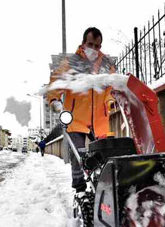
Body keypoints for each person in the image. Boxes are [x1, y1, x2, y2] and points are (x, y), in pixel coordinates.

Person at [47, 27, 116, 193]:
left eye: (97, 46)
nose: (94, 49)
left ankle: (101, 186)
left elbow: (110, 88)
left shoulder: (106, 64)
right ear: (83, 43)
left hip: (99, 119)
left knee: (103, 154)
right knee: (79, 155)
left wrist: (110, 100)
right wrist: (55, 101)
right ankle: (79, 188)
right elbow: (56, 83)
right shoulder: (72, 63)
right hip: (75, 117)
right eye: (90, 44)